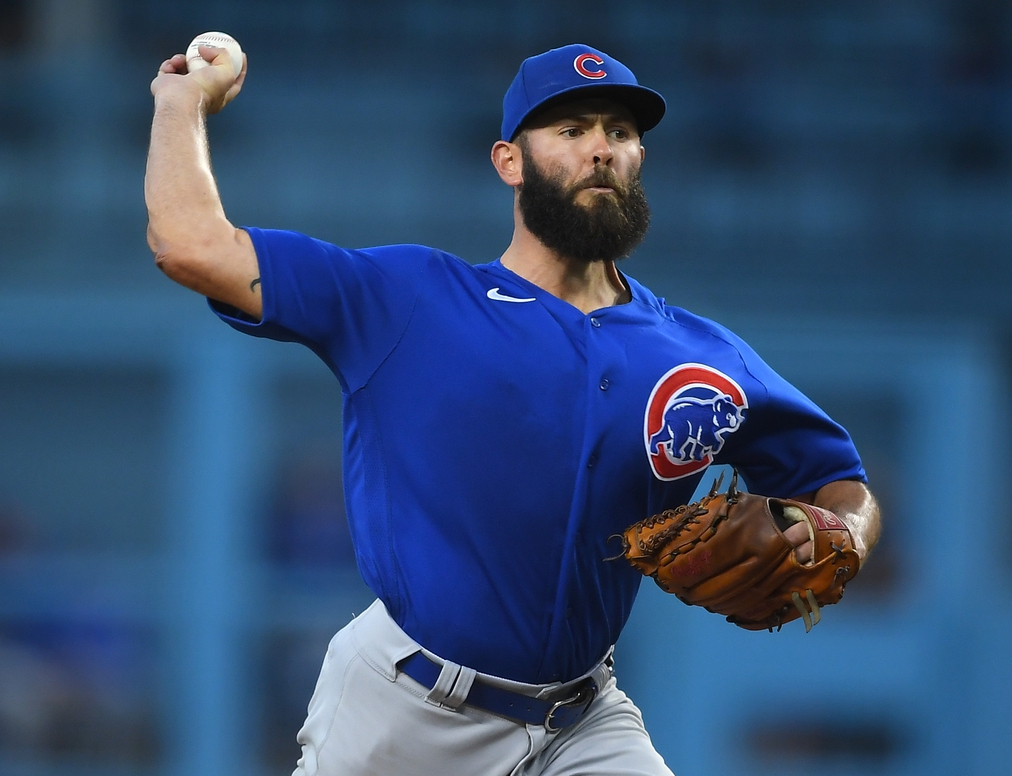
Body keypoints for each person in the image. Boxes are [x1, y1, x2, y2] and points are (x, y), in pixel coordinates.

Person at [146, 41, 881, 776]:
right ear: (509, 161)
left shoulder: (701, 357)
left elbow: (840, 479)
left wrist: (836, 530)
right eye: (570, 130)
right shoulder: (410, 298)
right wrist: (180, 105)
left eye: (620, 133)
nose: (600, 148)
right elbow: (191, 245)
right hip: (407, 712)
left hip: (583, 720)